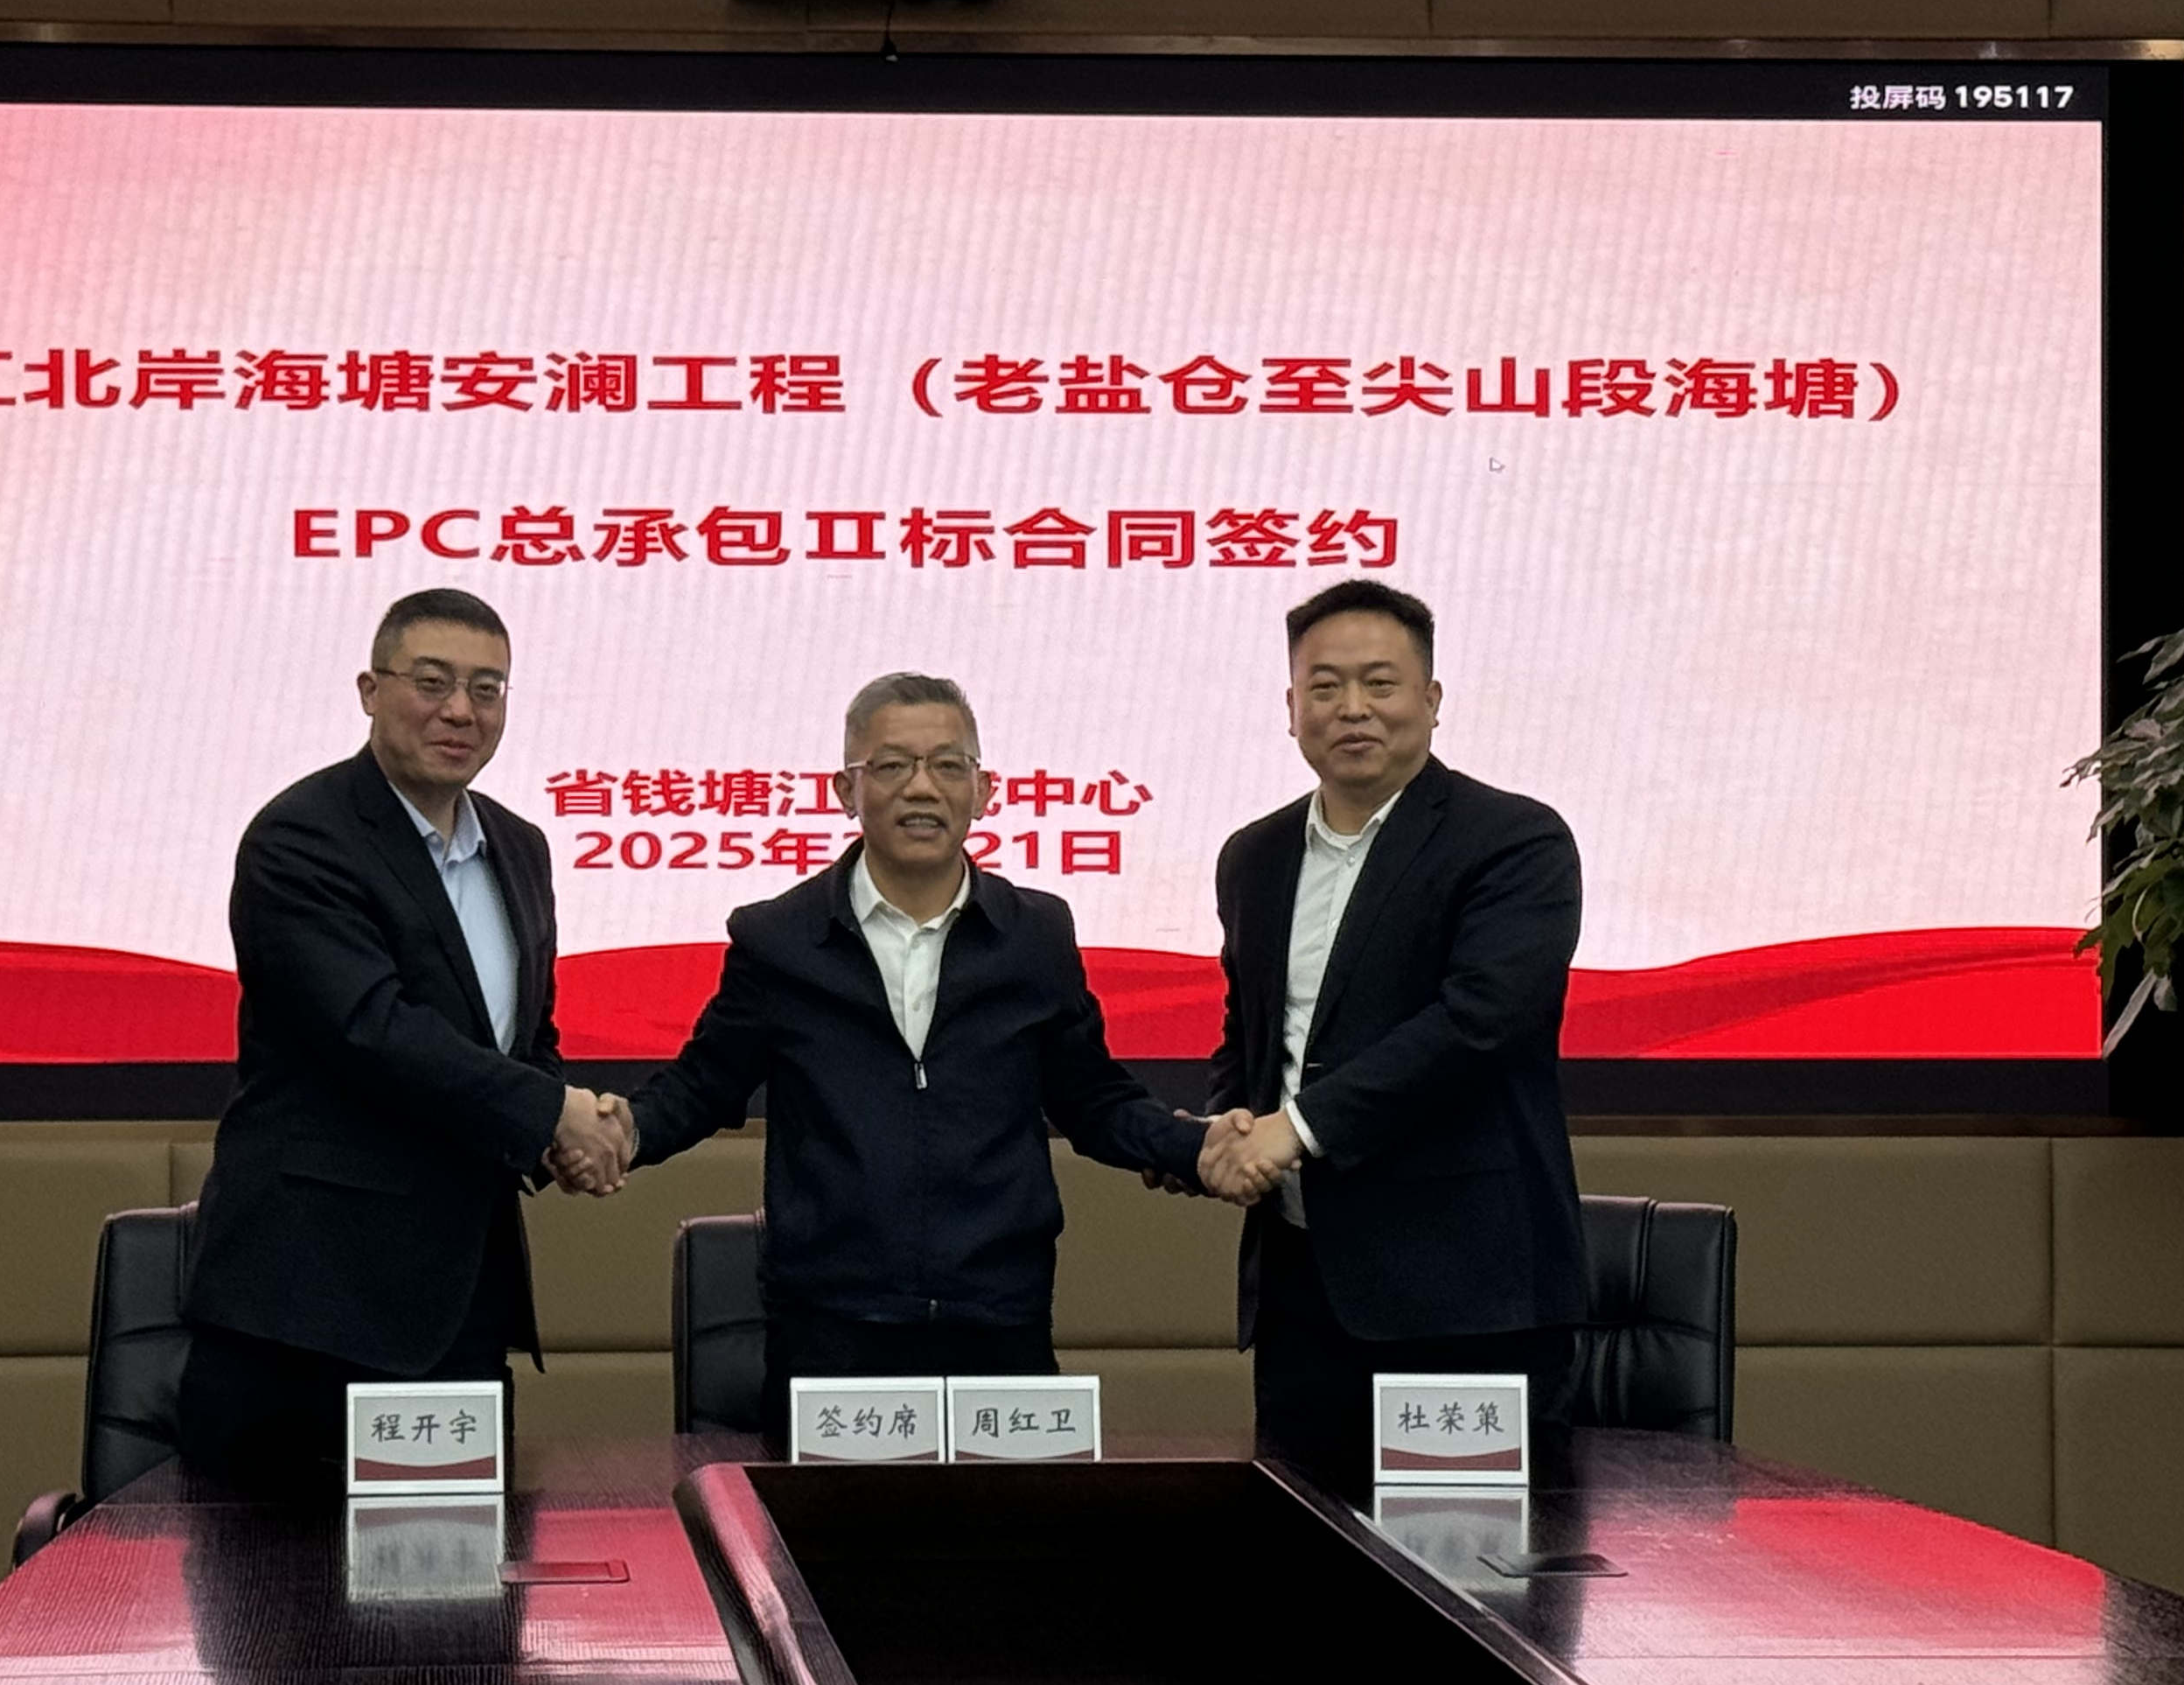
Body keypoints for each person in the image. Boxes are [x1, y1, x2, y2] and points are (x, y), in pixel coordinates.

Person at [627, 671, 1203, 1425]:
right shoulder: (779, 939)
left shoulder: (1034, 936)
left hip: (999, 1322)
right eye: (893, 765)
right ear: (846, 790)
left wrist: (1197, 1149)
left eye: (948, 765)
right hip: (831, 1330)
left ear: (984, 790)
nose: (922, 788)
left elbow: (1093, 1099)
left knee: (1010, 1510)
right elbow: (702, 1087)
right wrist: (611, 1135)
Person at [178, 586, 634, 1493]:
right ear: (370, 689)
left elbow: (521, 1036)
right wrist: (553, 1112)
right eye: (432, 682)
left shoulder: (520, 847)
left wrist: (559, 1131)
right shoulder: (302, 837)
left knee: (449, 1561)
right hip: (307, 1303)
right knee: (271, 1576)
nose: (461, 710)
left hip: (458, 1298)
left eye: (487, 689)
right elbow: (369, 1030)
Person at [1187, 580, 1590, 1479]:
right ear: (1292, 707)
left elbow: (1479, 1025)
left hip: (1466, 1295)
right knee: (1302, 1550)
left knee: (1471, 1553)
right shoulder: (1255, 857)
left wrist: (1296, 1129)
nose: (1353, 708)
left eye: (1380, 683)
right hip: (1302, 1289)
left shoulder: (1512, 841)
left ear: (1432, 700)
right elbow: (1255, 1033)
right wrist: (1225, 1132)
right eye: (1325, 687)